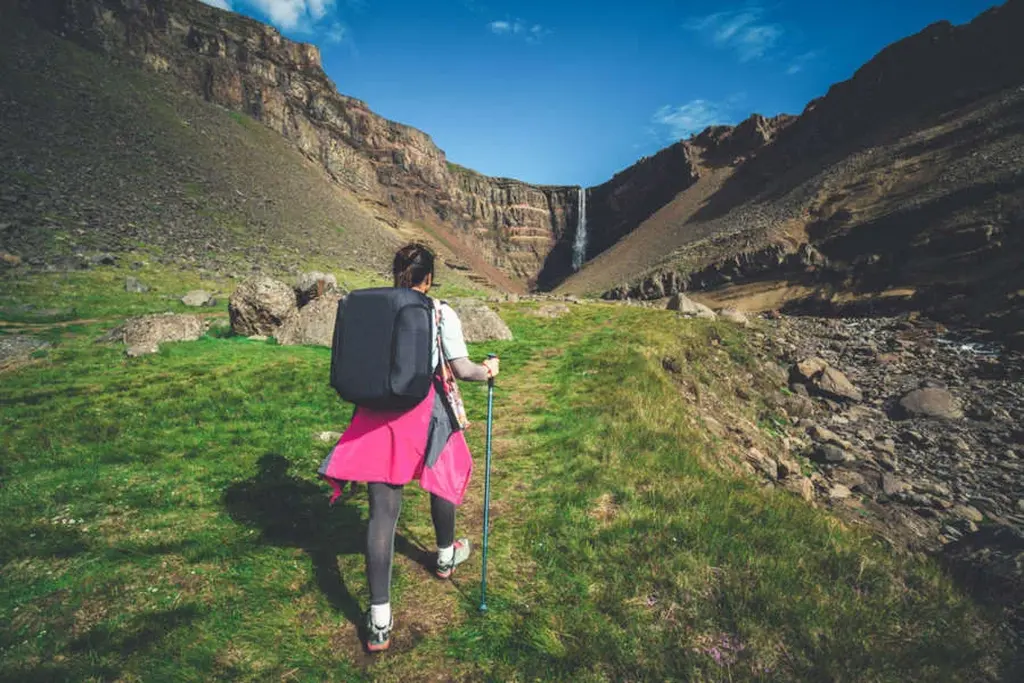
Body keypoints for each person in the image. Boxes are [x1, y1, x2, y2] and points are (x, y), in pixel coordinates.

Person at [318, 243, 500, 653]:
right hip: (424, 411)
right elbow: (461, 369)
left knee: (382, 514)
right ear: (429, 278)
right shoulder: (439, 311)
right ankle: (444, 556)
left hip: (375, 416)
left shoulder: (374, 308)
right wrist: (488, 369)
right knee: (441, 481)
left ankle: (379, 620)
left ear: (397, 272)